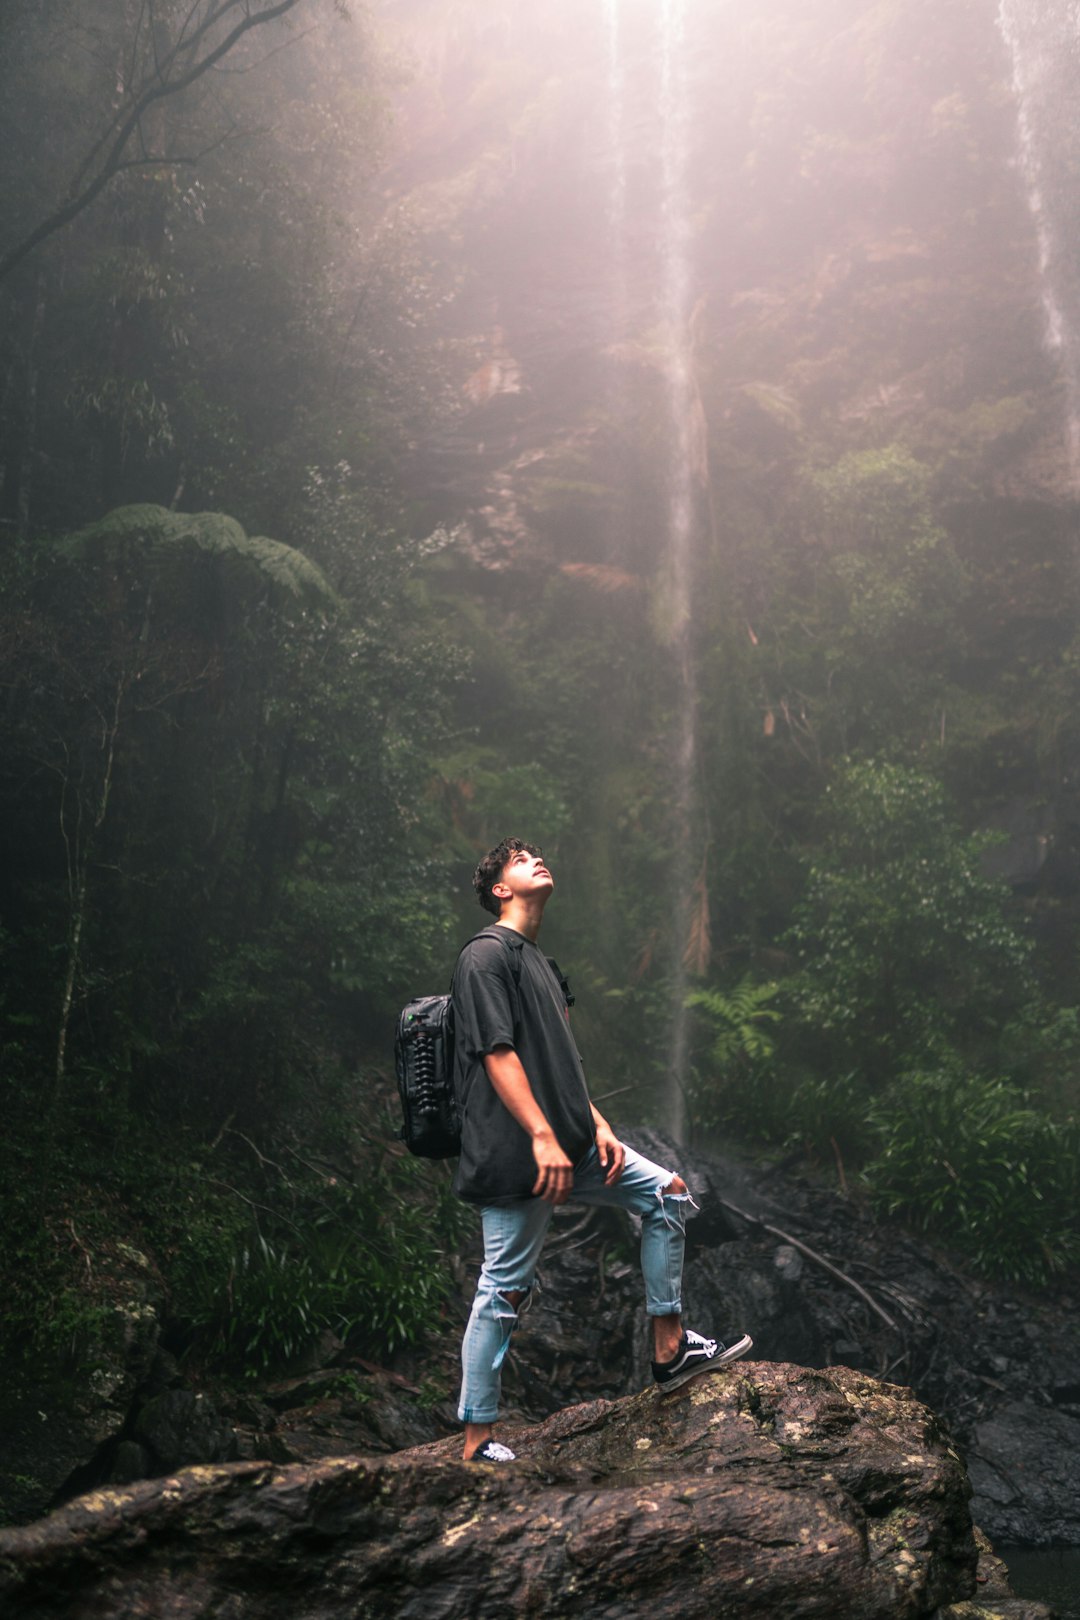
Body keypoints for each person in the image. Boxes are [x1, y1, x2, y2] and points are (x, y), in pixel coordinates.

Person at [452, 835, 752, 1463]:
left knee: (668, 1193)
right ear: (499, 890)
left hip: (578, 1144)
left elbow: (560, 1063)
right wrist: (539, 1134)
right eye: (519, 860)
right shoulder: (486, 956)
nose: (537, 861)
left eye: (537, 854)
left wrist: (599, 1124)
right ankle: (477, 1441)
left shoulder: (539, 962)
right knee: (503, 1288)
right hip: (517, 1153)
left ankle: (670, 1350)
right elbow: (496, 1054)